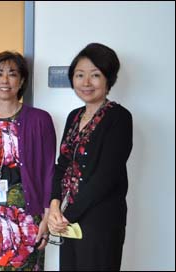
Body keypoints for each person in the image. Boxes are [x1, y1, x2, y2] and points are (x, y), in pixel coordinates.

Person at [0, 51, 55, 270]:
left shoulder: (40, 119)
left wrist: (46, 216)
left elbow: (48, 170)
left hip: (27, 211)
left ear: (22, 80)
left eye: (12, 74)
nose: (4, 80)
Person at [48, 43, 132, 270]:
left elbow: (106, 176)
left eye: (95, 75)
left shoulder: (119, 117)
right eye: (79, 75)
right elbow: (61, 165)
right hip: (69, 219)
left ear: (108, 80)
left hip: (100, 221)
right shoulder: (74, 117)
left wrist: (68, 214)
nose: (86, 83)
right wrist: (54, 206)